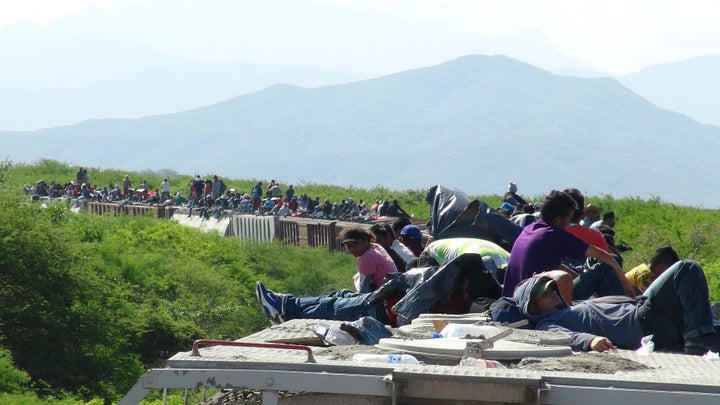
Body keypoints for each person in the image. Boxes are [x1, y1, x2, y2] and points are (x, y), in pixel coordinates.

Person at [514, 259, 720, 355]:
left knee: (711, 322)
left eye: (551, 288)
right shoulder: (548, 323)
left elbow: (562, 280)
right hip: (643, 322)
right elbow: (562, 337)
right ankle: (698, 341)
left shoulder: (568, 308)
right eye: (545, 293)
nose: (552, 292)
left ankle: (701, 335)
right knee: (686, 268)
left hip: (644, 313)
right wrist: (590, 340)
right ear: (533, 308)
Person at [501, 190, 634, 299]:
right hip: (538, 300)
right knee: (603, 268)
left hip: (514, 300)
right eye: (568, 220)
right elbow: (605, 256)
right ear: (558, 220)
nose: (568, 225)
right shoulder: (555, 234)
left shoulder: (530, 229)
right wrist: (625, 283)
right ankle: (625, 310)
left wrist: (587, 283)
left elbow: (556, 265)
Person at [341, 226, 397, 293]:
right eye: (349, 246)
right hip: (392, 291)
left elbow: (363, 291)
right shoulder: (376, 247)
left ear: (366, 240)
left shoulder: (367, 257)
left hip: (384, 297)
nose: (352, 249)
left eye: (356, 244)